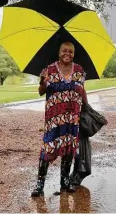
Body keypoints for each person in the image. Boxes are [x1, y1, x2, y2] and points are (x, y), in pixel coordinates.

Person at [31, 41, 87, 197]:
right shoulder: (49, 70)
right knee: (48, 148)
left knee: (69, 149)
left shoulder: (79, 70)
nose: (67, 53)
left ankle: (65, 182)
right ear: (59, 52)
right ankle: (39, 185)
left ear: (73, 54)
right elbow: (41, 92)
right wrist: (42, 81)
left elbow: (82, 90)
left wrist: (87, 108)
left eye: (70, 51)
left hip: (72, 118)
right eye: (64, 51)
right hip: (54, 119)